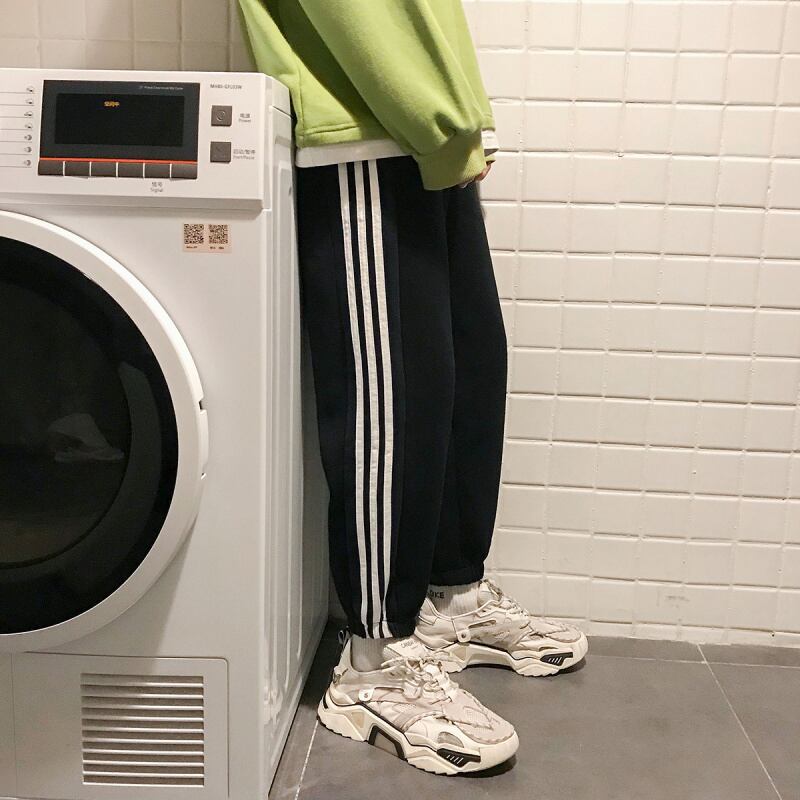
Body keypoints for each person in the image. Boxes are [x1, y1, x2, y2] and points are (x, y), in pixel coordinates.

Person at [239, 0, 588, 774]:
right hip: (360, 119)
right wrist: (439, 116)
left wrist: (456, 120)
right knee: (391, 400)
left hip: (418, 125)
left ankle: (450, 600)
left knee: (466, 366)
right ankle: (375, 664)